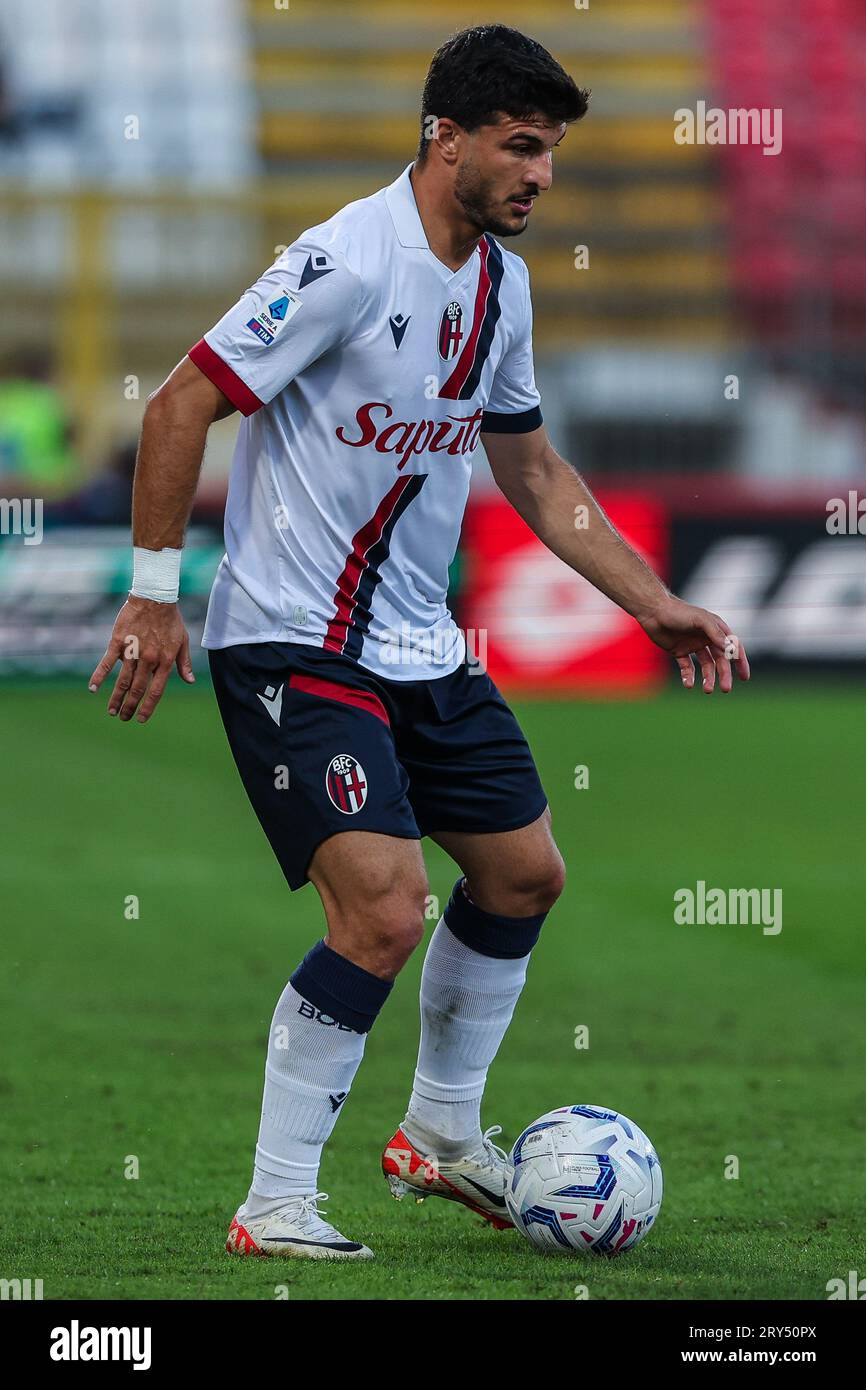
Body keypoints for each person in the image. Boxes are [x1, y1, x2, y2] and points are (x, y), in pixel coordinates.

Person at [90, 25, 749, 1261]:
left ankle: (440, 1132)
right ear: (443, 136)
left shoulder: (500, 285)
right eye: (521, 146)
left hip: (418, 645)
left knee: (521, 874)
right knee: (386, 912)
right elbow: (184, 397)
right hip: (293, 641)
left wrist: (649, 600)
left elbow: (533, 469)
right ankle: (276, 1199)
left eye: (549, 151)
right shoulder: (343, 261)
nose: (541, 175)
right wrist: (150, 592)